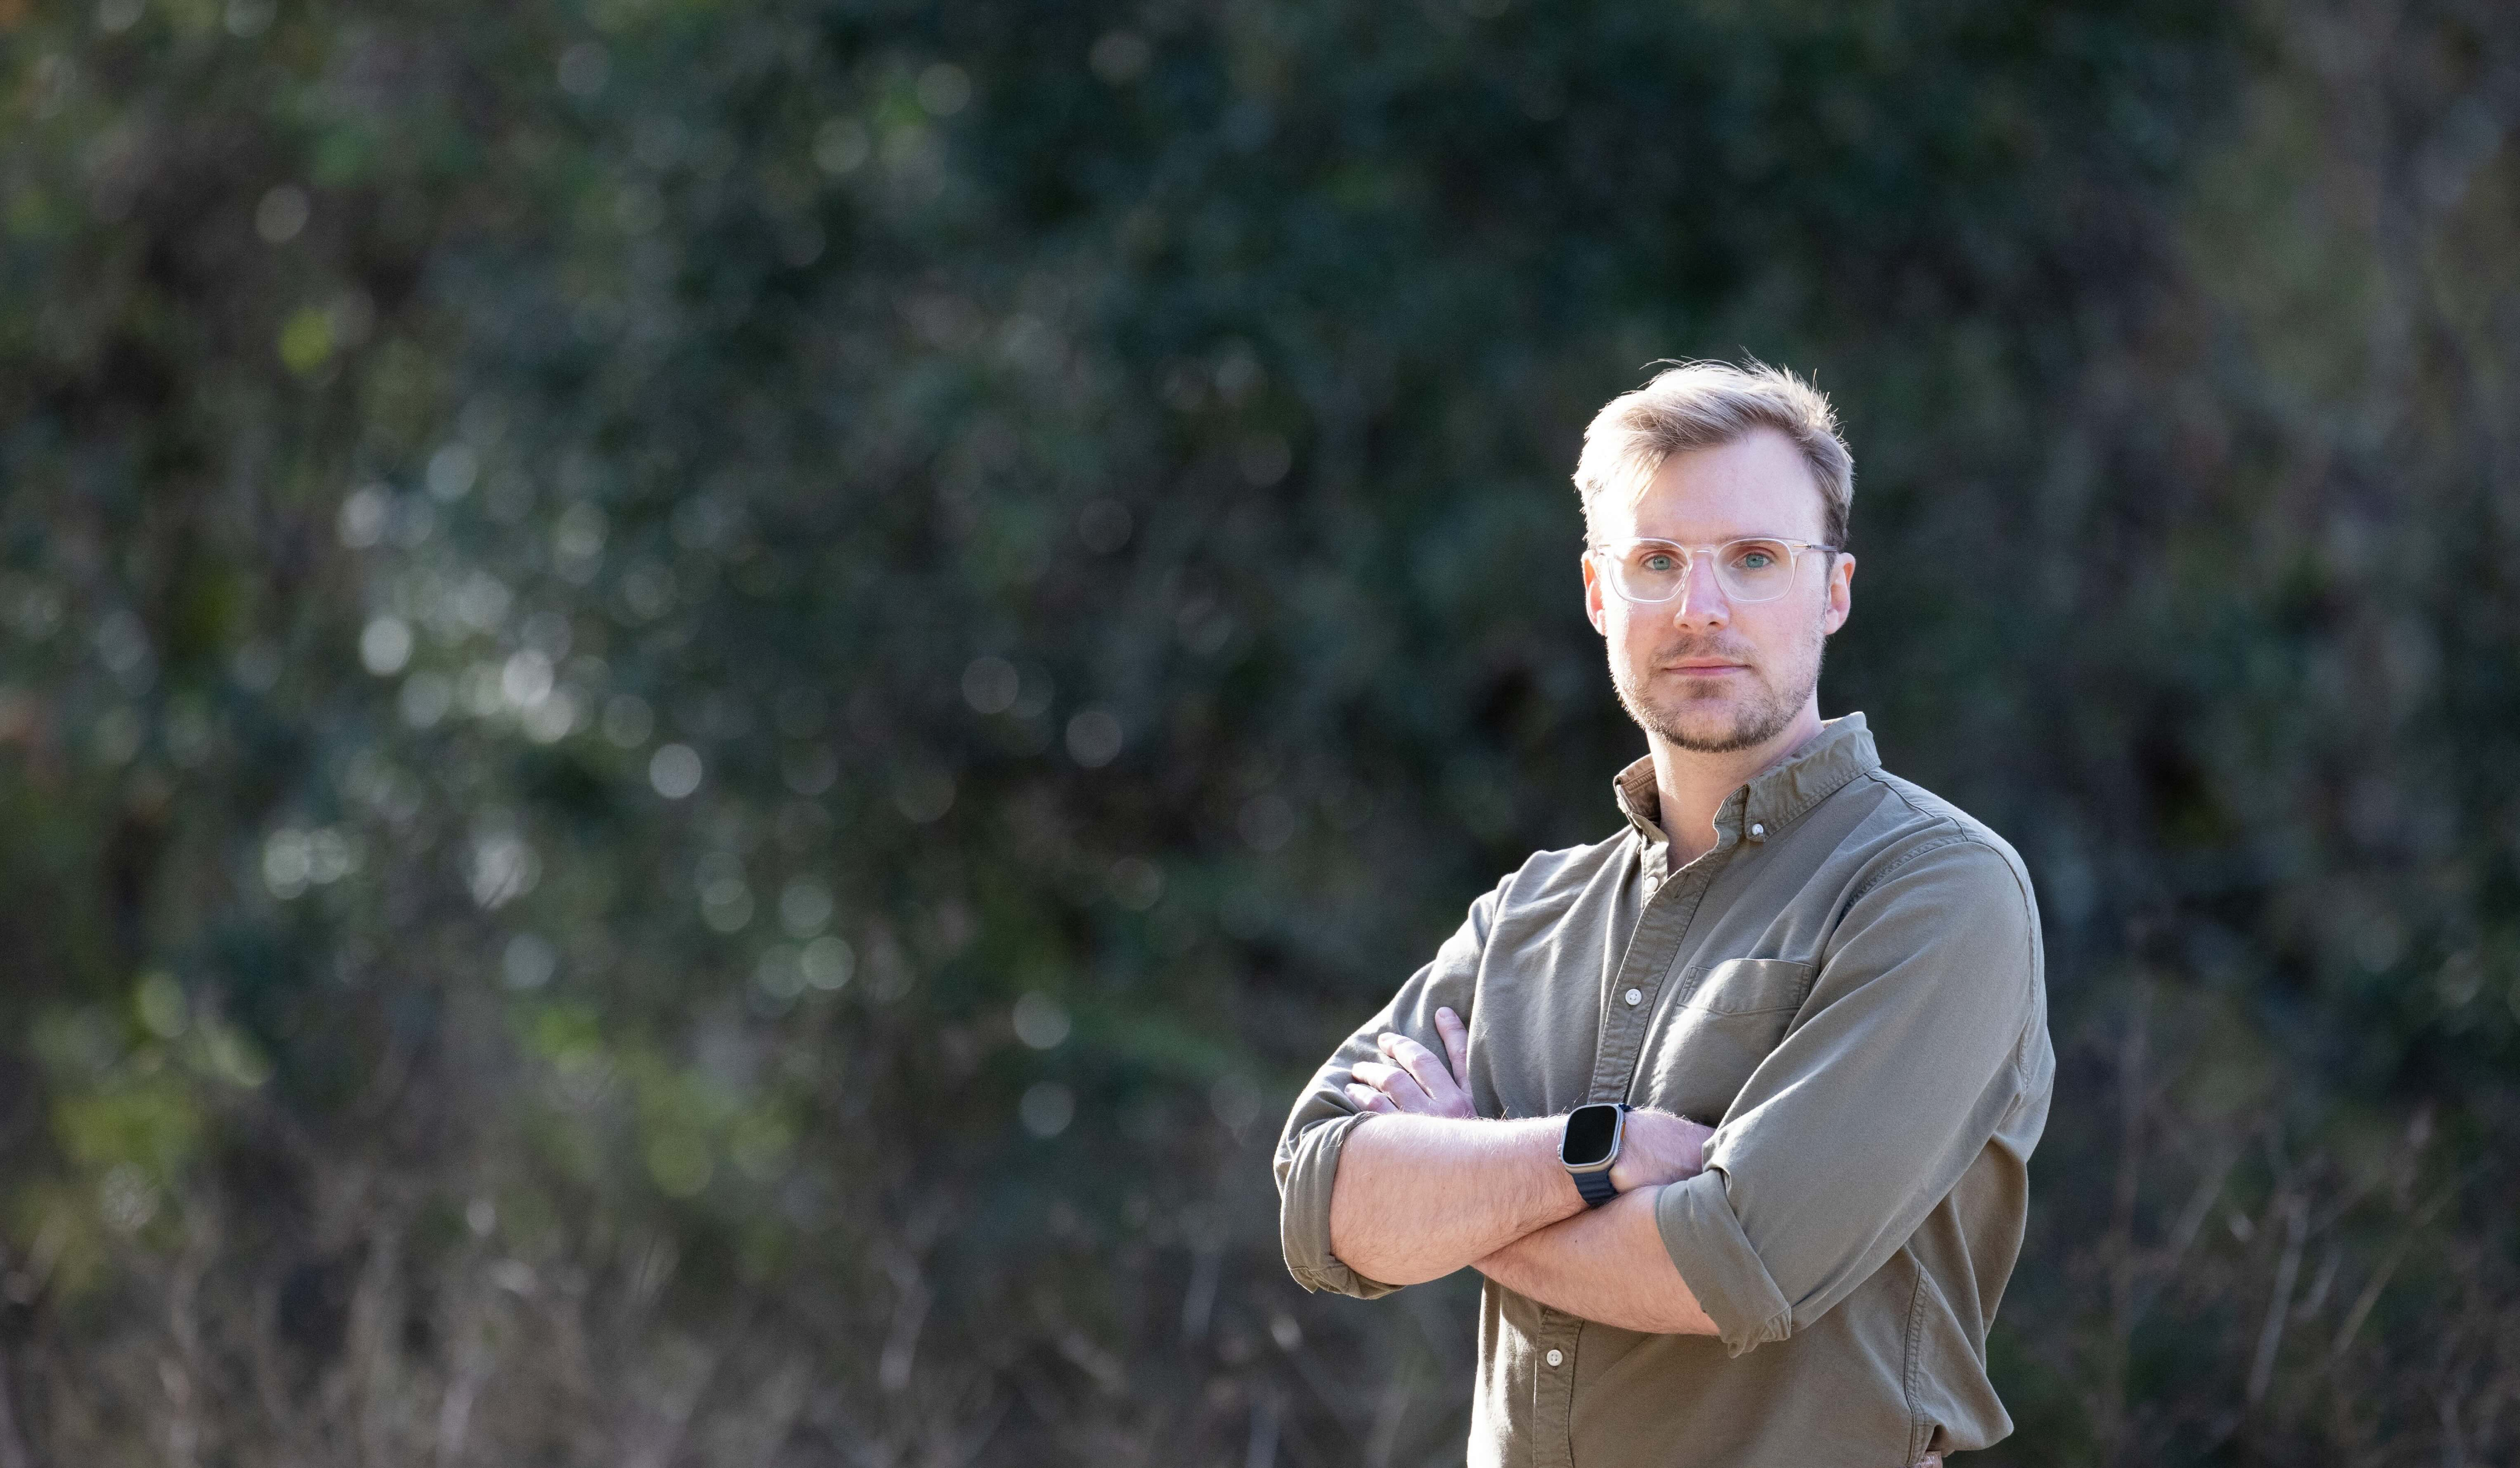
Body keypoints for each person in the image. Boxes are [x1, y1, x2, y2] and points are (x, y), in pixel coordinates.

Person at [1274, 362, 2054, 1467]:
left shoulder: (1938, 889)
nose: (1701, 608)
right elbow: (1324, 1202)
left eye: (1753, 559)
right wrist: (1610, 1155)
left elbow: (1731, 1261)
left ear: (1832, 590)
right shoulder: (1527, 913)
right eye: (1656, 563)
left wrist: (1462, 1189)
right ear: (1600, 595)